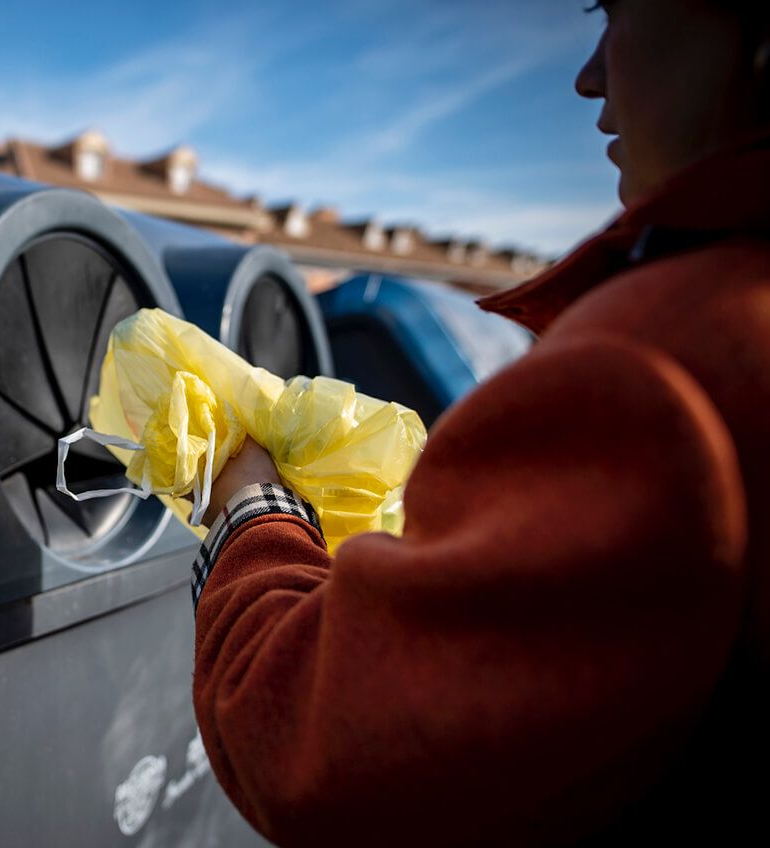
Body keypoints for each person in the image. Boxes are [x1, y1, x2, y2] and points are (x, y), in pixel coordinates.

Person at [191, 2, 770, 844]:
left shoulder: (657, 369)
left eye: (618, 11)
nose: (590, 75)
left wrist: (250, 504)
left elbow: (313, 739)